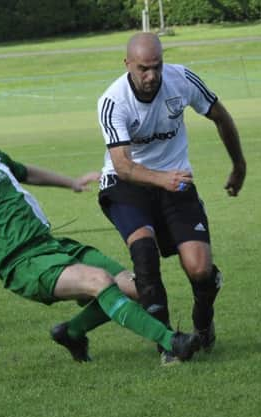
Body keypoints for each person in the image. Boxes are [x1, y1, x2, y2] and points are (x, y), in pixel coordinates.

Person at [0, 94, 201, 365]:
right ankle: (172, 342)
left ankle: (72, 333)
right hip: (21, 263)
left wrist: (72, 182)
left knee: (136, 286)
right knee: (100, 280)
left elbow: (27, 172)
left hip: (51, 245)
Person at [96, 32, 246, 359]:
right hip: (127, 186)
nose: (151, 76)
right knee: (144, 256)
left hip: (175, 182)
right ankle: (168, 343)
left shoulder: (181, 79)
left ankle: (203, 324)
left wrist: (239, 165)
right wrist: (161, 179)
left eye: (157, 67)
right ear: (127, 65)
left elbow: (220, 115)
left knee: (200, 270)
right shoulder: (113, 101)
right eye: (143, 69)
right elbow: (123, 166)